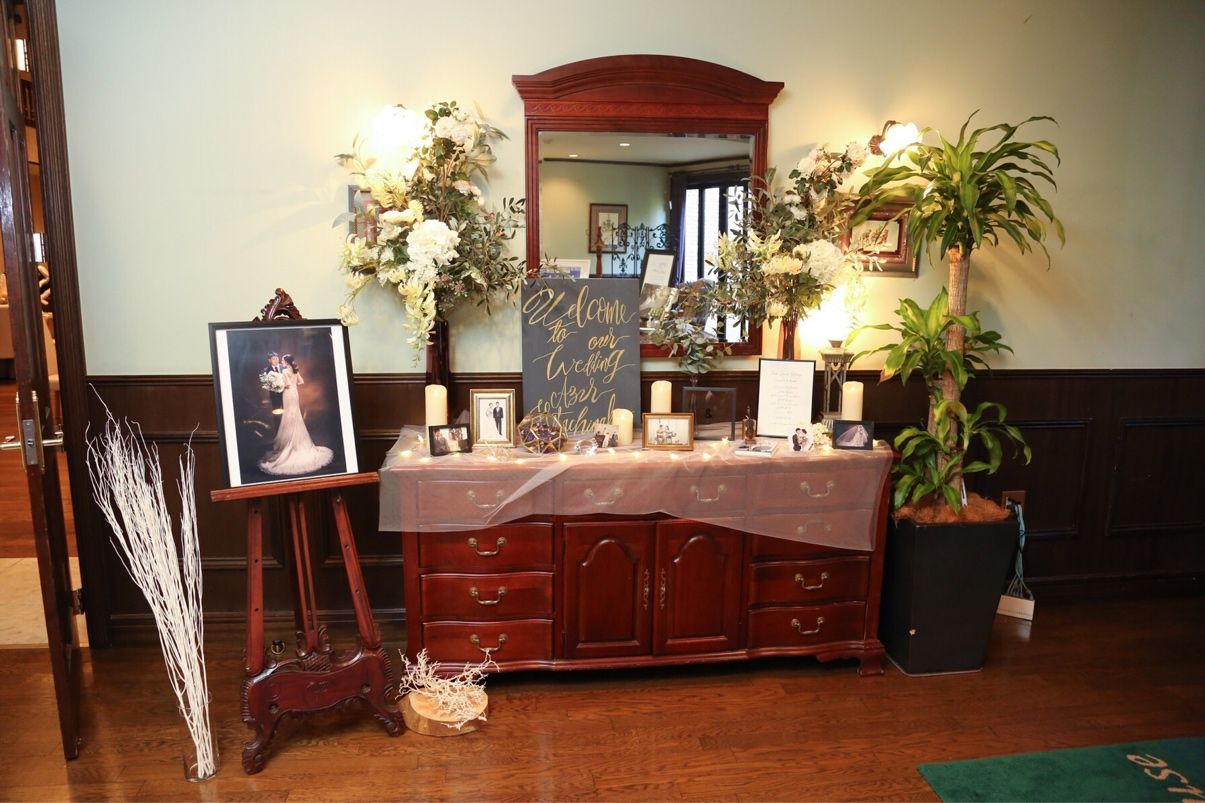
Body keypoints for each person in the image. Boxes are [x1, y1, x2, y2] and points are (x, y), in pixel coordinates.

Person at [258, 354, 334, 476]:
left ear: (287, 362)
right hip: (295, 393)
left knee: (289, 415)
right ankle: (296, 440)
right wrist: (294, 384)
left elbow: (286, 385)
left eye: (282, 360)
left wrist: (279, 385)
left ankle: (291, 442)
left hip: (288, 394)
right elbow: (302, 382)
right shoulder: (295, 370)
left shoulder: (284, 371)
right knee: (295, 415)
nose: (281, 362)